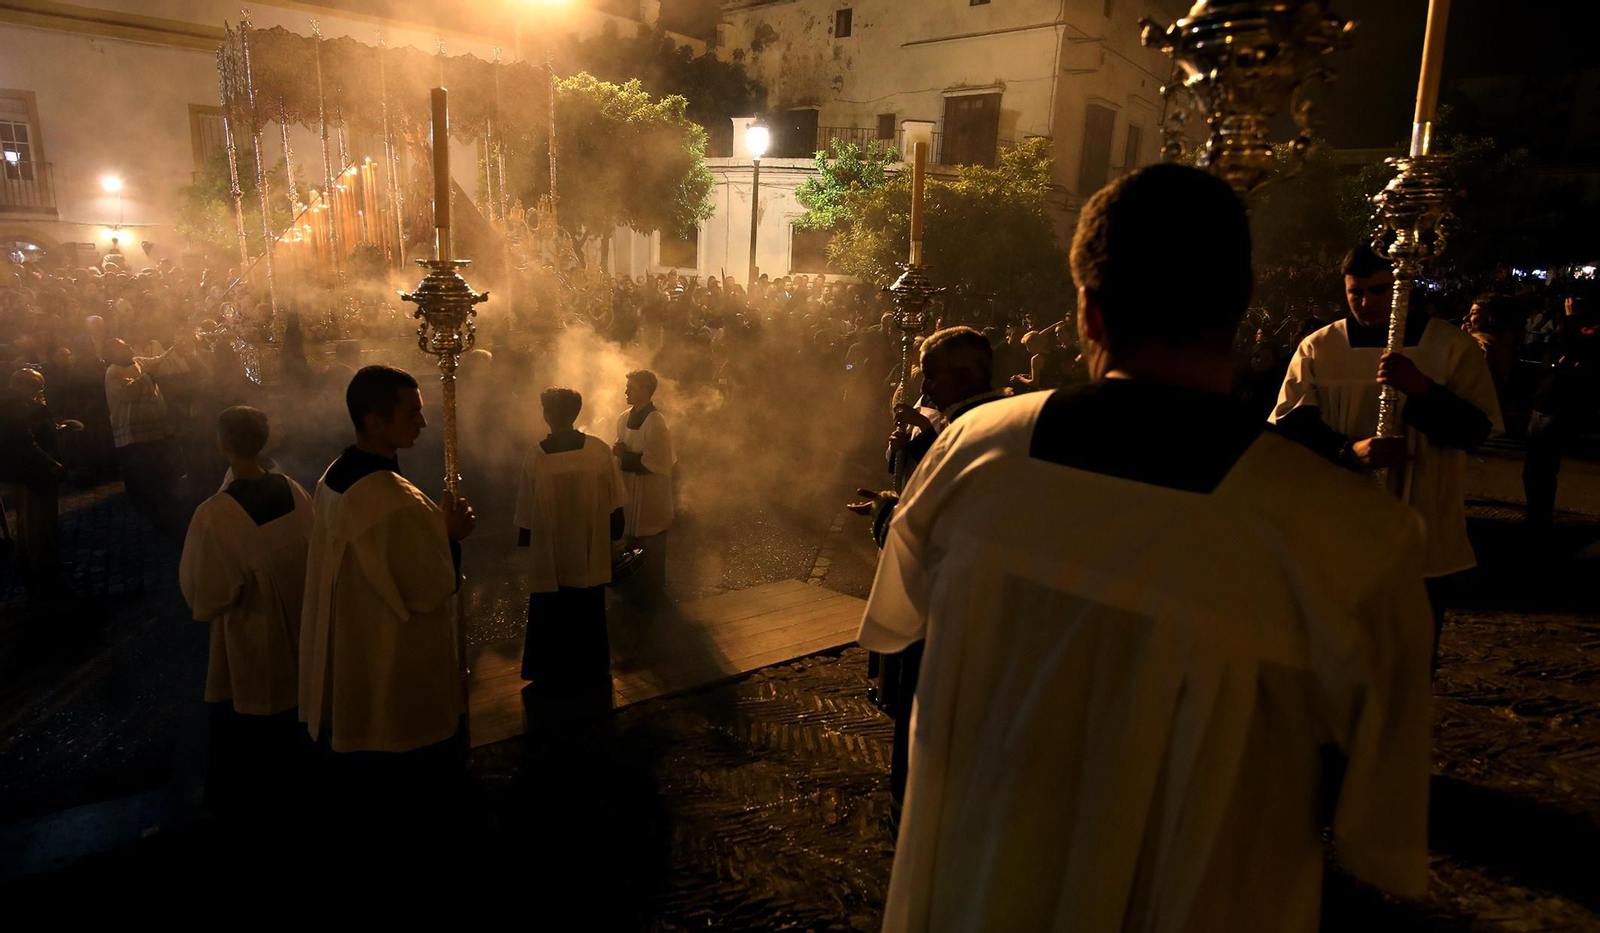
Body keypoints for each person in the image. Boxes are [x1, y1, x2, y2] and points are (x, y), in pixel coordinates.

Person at [860, 164, 1433, 931]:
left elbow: (900, 619)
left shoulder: (972, 453)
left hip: (970, 890)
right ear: (1242, 307)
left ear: (1089, 315)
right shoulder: (1352, 533)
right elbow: (1379, 828)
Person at [1271, 245, 1503, 655]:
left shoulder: (1450, 347)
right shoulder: (1319, 347)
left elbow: (1476, 431)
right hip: (1340, 528)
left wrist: (1423, 391)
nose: (1366, 302)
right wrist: (1349, 450)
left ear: (1403, 289)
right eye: (1355, 292)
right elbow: (1291, 427)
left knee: (1408, 658)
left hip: (1422, 529)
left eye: (1380, 291)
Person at [298, 366, 477, 841]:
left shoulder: (334, 477)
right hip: (392, 661)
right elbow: (428, 587)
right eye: (412, 412)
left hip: (355, 641)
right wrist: (451, 537)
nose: (422, 422)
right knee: (407, 793)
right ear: (375, 421)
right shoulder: (393, 501)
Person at [847, 326, 1008, 831]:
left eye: (931, 374)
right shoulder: (970, 422)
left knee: (928, 719)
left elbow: (951, 522)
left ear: (961, 376)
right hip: (949, 597)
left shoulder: (973, 432)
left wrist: (891, 515)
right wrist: (890, 500)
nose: (925, 385)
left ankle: (916, 820)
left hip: (947, 605)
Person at [178, 406, 313, 812]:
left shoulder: (215, 514)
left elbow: (206, 594)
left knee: (258, 744)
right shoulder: (292, 489)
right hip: (305, 631)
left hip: (257, 640)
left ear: (222, 443)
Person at [515, 387, 628, 693]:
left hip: (551, 544)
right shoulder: (598, 449)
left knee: (551, 603)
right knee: (587, 603)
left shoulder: (536, 455)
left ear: (547, 415)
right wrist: (615, 531)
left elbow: (526, 504)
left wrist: (527, 536)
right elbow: (615, 498)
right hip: (589, 541)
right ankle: (590, 665)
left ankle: (549, 668)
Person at [0, 368, 81, 593]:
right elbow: (24, 443)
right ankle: (42, 569)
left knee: (28, 521)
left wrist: (56, 429)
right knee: (40, 523)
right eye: (37, 387)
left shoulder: (17, 406)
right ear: (23, 386)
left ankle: (31, 562)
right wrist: (50, 464)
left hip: (27, 474)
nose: (40, 391)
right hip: (34, 475)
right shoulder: (18, 409)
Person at [1523, 288, 1599, 526]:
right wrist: (1558, 363)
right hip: (1545, 402)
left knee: (1542, 469)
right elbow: (1552, 356)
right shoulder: (1568, 328)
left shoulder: (1587, 331)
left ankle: (1539, 518)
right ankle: (1537, 514)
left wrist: (1572, 321)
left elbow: (1576, 350)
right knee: (1534, 470)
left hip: (1560, 405)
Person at [103, 336, 184, 536]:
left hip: (154, 431)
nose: (129, 346)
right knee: (144, 477)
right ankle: (152, 514)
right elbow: (128, 393)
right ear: (113, 354)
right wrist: (149, 377)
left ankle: (167, 509)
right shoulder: (113, 372)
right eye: (123, 347)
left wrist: (176, 345)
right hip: (134, 437)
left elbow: (158, 360)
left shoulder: (138, 361)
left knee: (161, 472)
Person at [614, 369, 674, 599]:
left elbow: (657, 462)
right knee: (630, 537)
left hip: (649, 492)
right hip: (630, 486)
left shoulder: (656, 422)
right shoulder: (623, 417)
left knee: (651, 539)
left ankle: (651, 590)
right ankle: (632, 585)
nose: (626, 391)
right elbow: (620, 446)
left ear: (646, 391)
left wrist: (624, 455)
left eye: (631, 388)